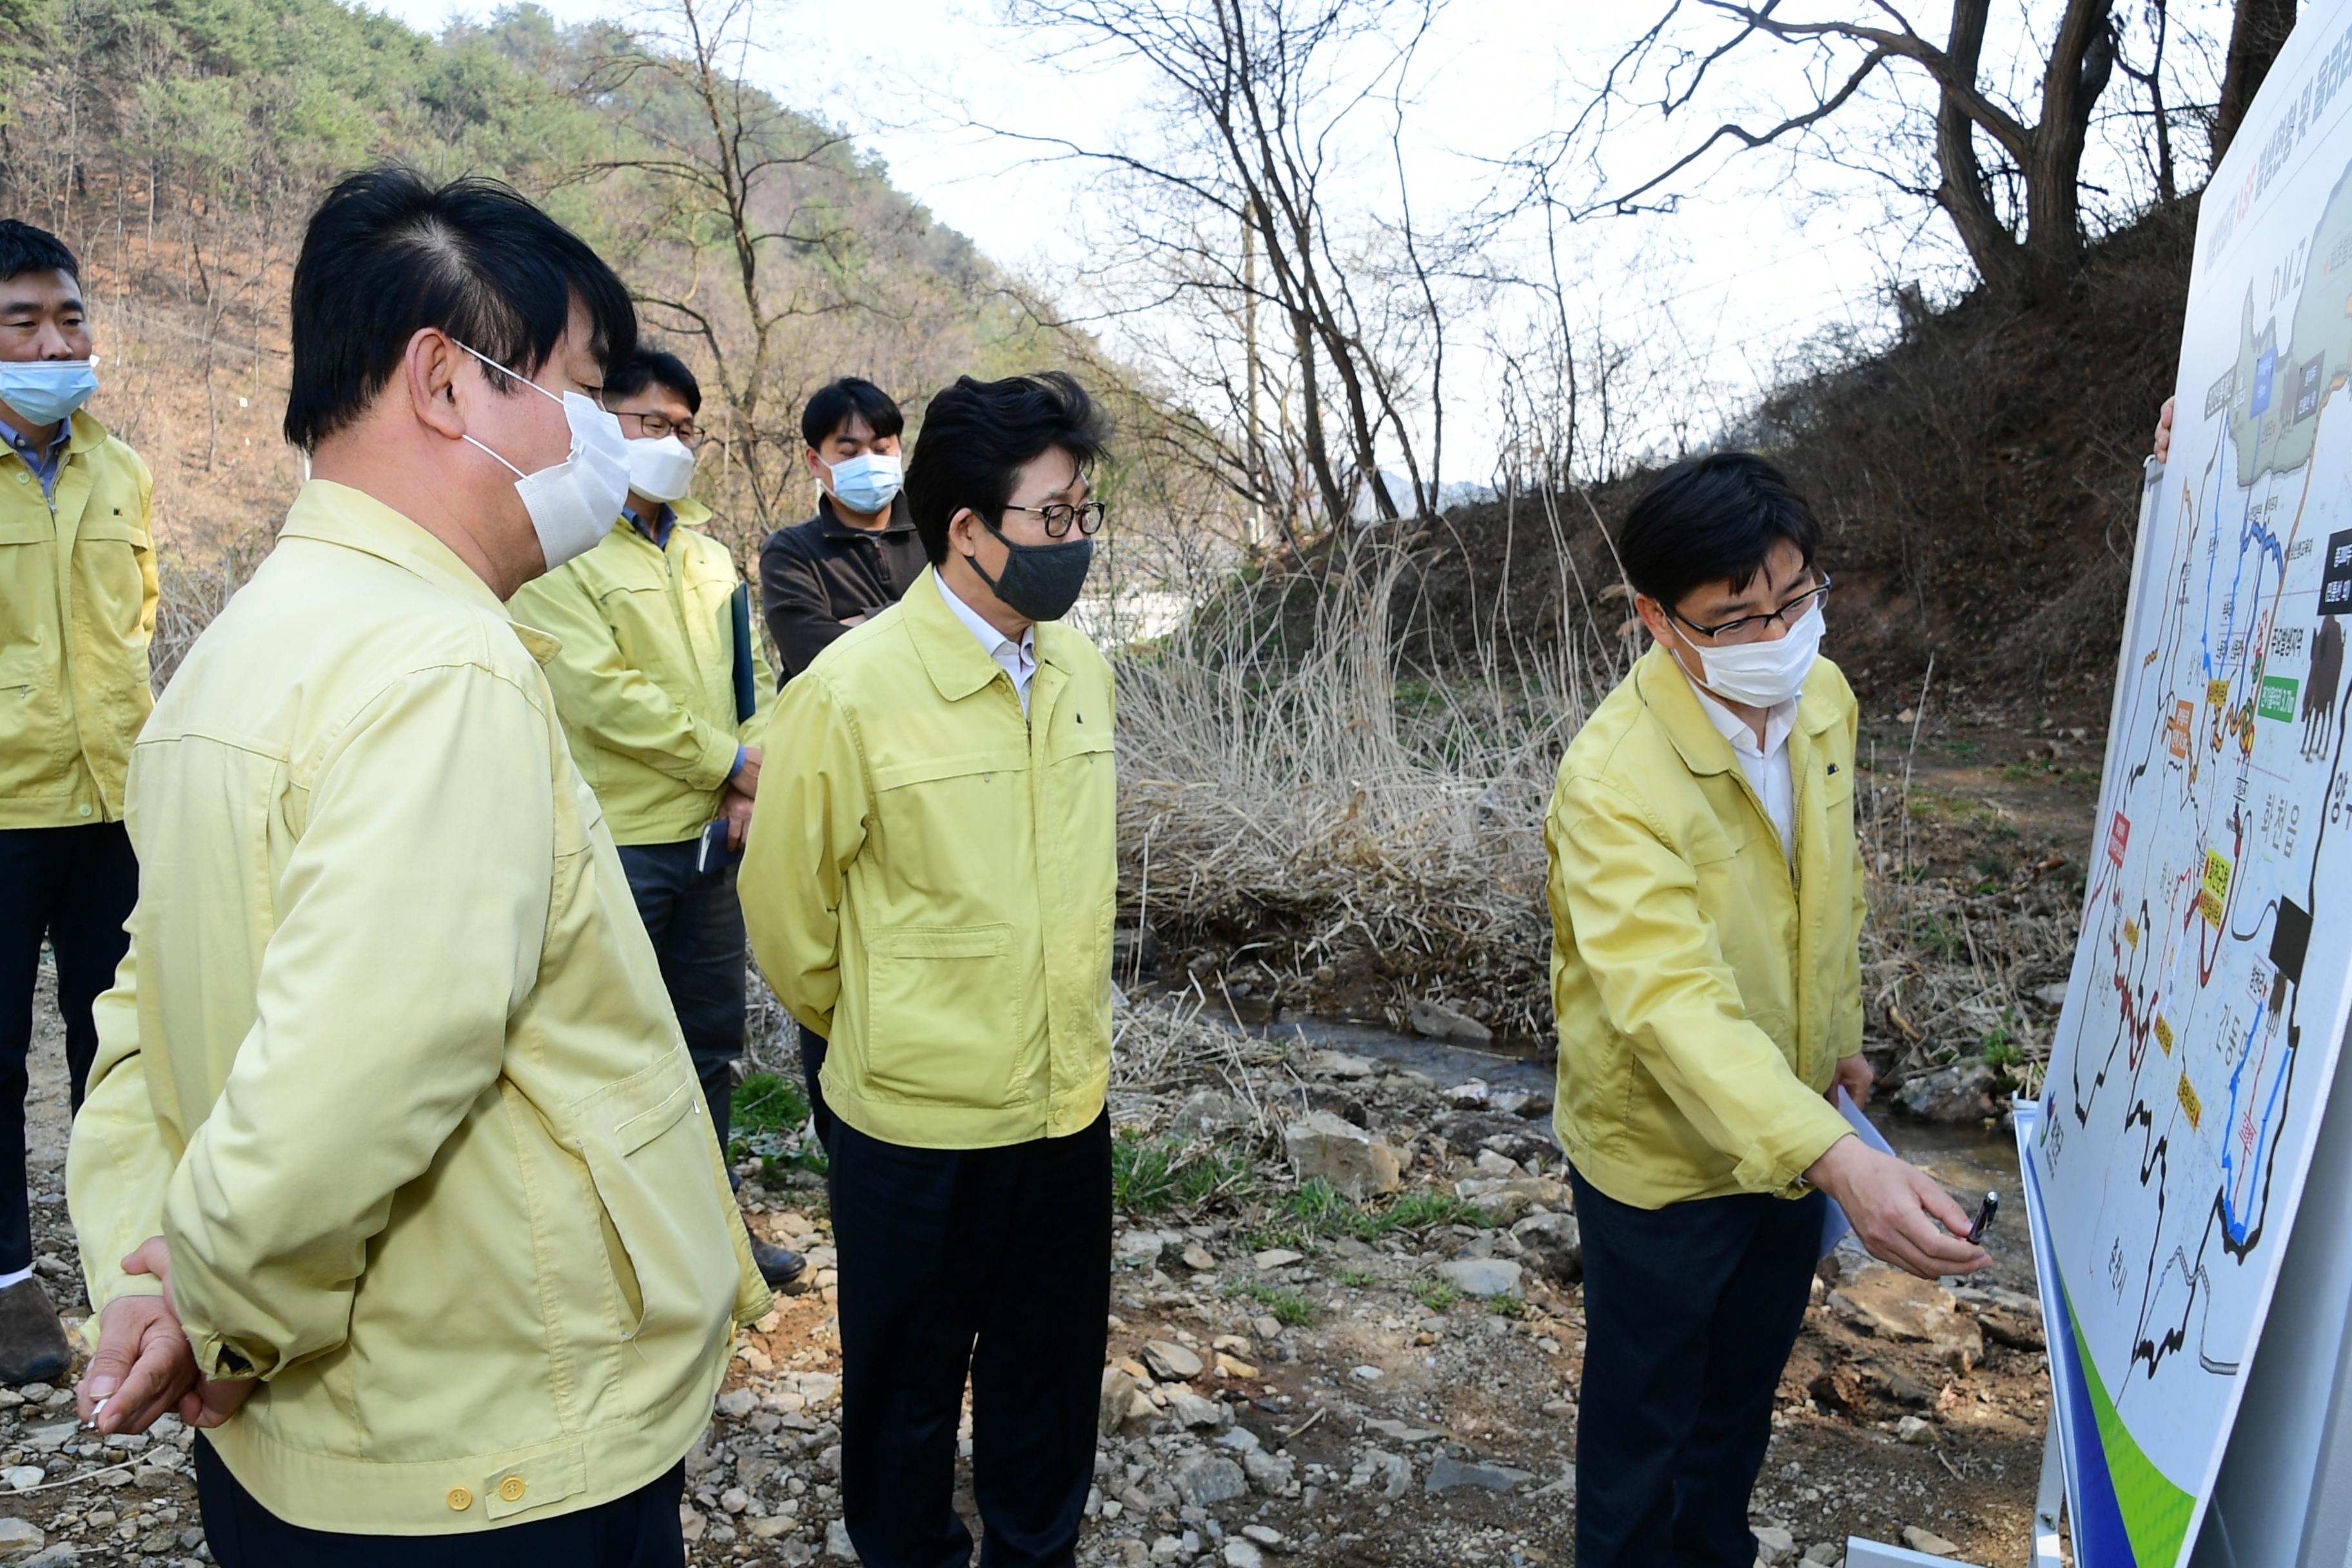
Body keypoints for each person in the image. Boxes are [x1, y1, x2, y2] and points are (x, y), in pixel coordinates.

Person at [66, 168, 768, 1563]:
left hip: (305, 1455)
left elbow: (140, 1025)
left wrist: (150, 1271)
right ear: (445, 382)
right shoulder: (441, 664)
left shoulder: (239, 649)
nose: (602, 440)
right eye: (575, 392)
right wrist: (211, 1296)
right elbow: (364, 1066)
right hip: (489, 1447)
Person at [1545, 452, 1990, 1568]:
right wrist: (1841, 1158)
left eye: (1794, 600)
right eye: (1734, 617)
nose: (1776, 635)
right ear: (1657, 619)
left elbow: (1815, 893)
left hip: (1794, 1129)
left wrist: (1830, 1040)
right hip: (1660, 1158)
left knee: (1736, 1406)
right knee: (1642, 1426)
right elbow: (1668, 1007)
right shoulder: (1612, 778)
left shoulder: (1822, 699)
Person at [741, 371, 1116, 1568]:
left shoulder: (1079, 675)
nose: (1075, 540)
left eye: (1082, 513)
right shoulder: (850, 692)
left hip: (1064, 1111)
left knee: (1048, 1389)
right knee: (904, 1400)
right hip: (912, 1126)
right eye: (1052, 517)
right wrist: (881, 1027)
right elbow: (789, 917)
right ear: (967, 530)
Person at [507, 346, 805, 1291]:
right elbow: (597, 693)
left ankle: (711, 1232)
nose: (672, 442)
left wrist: (749, 774)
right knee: (611, 1049)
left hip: (712, 842)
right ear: (601, 423)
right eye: (650, 423)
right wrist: (727, 761)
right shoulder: (566, 544)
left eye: (684, 427)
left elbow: (751, 685)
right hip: (619, 839)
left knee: (708, 1046)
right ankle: (616, 1251)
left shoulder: (713, 558)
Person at [0, 219, 155, 1384]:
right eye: (24, 321)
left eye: (69, 315)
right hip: (2, 812)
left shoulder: (120, 466)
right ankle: (9, 1282)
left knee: (123, 1043)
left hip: (114, 806)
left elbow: (134, 625)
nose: (57, 340)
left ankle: (131, 1267)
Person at [756, 376, 924, 1148]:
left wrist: (862, 628)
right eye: (847, 449)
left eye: (881, 445)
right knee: (837, 949)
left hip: (929, 779)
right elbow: (810, 653)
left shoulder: (944, 530)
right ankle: (842, 1133)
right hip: (833, 777)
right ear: (817, 463)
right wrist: (914, 632)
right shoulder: (792, 551)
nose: (868, 460)